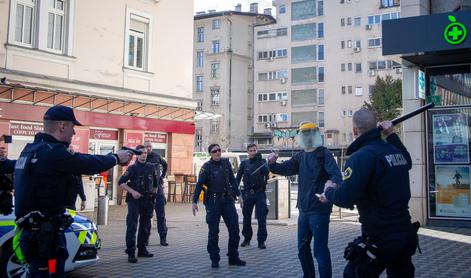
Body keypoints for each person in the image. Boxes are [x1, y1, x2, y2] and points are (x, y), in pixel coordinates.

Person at [14, 105, 133, 277]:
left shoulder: (32, 150)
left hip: (36, 234)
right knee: (49, 272)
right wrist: (115, 157)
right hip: (44, 237)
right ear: (62, 126)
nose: (74, 133)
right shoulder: (52, 152)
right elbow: (85, 163)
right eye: (72, 127)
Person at [320, 108, 419, 278]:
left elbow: (344, 198)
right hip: (405, 233)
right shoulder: (393, 151)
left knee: (354, 274)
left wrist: (328, 190)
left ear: (355, 131)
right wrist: (391, 135)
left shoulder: (360, 157)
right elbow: (407, 162)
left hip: (380, 236)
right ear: (377, 127)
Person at [267, 122, 342, 278]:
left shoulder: (324, 154)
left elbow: (336, 175)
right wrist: (272, 163)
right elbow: (285, 168)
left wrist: (331, 185)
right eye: (304, 134)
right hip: (304, 209)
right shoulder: (300, 156)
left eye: (309, 134)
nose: (307, 137)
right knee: (302, 249)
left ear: (315, 135)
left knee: (320, 252)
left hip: (319, 210)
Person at [191, 143, 246, 268]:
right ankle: (214, 259)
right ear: (210, 153)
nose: (217, 153)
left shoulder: (226, 163)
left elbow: (232, 180)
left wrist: (240, 195)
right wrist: (194, 202)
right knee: (214, 232)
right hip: (213, 202)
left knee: (235, 230)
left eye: (219, 150)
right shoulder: (206, 167)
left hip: (227, 200)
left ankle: (233, 257)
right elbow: (199, 185)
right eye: (214, 151)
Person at [118, 145, 156, 263]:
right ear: (137, 155)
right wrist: (133, 192)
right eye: (140, 153)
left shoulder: (152, 167)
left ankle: (142, 249)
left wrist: (154, 197)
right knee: (132, 226)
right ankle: (131, 252)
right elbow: (121, 182)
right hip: (134, 201)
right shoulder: (132, 168)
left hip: (147, 200)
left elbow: (155, 184)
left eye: (145, 152)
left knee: (145, 226)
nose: (143, 154)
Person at [236, 143, 269, 249]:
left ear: (257, 150)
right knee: (246, 218)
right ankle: (247, 239)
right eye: (251, 150)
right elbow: (237, 179)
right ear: (247, 152)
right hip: (248, 193)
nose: (253, 152)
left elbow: (266, 172)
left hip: (260, 193)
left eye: (254, 150)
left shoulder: (262, 162)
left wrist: (260, 161)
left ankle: (261, 241)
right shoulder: (244, 164)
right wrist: (237, 194)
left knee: (261, 217)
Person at [144, 140, 169, 246]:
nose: (148, 148)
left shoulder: (156, 156)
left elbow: (165, 165)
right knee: (147, 216)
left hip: (158, 189)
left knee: (161, 215)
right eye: (146, 147)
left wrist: (162, 176)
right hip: (146, 190)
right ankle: (145, 239)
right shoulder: (141, 157)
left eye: (149, 146)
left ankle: (163, 238)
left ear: (152, 147)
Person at [64, 147, 87, 211]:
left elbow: (79, 184)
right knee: (70, 217)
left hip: (69, 202)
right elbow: (79, 184)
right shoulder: (75, 167)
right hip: (69, 202)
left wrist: (83, 199)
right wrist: (83, 199)